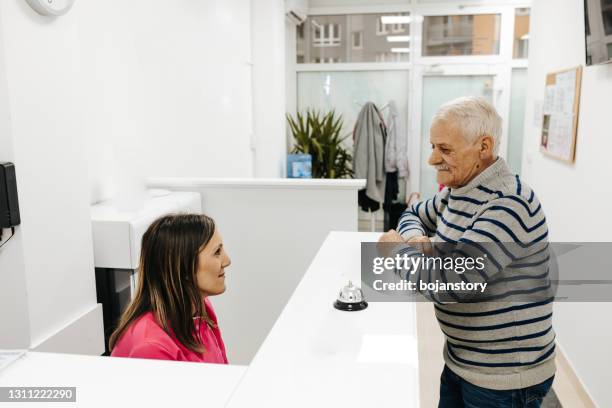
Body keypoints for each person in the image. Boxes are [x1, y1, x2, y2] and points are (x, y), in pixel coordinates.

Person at [379, 96, 555, 407]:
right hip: (463, 360)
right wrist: (417, 238)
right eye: (432, 146)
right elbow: (413, 214)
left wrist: (396, 252)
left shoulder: (508, 203)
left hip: (504, 378)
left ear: (483, 148)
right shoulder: (459, 191)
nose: (432, 159)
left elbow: (453, 284)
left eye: (444, 149)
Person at [110, 213, 231, 363]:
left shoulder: (201, 307)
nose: (227, 261)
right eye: (217, 252)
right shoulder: (150, 348)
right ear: (183, 268)